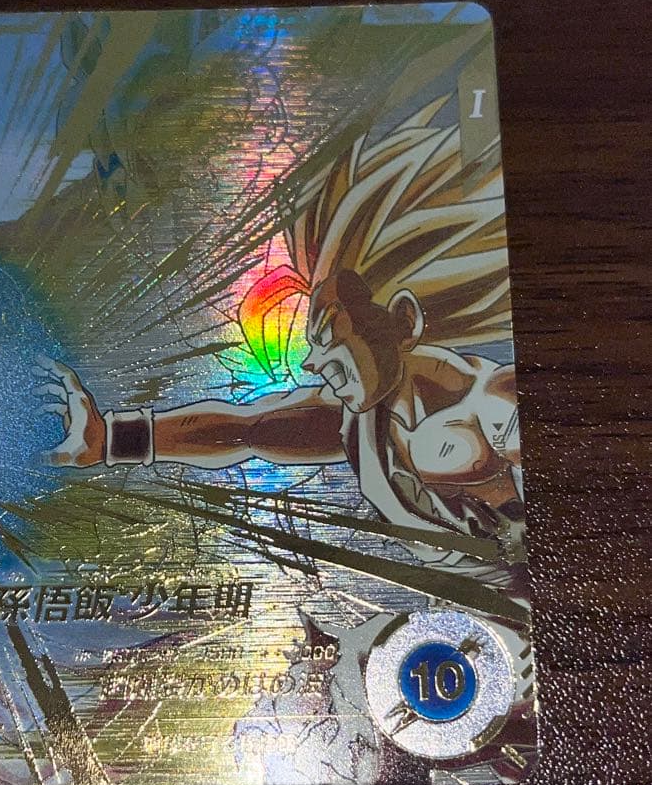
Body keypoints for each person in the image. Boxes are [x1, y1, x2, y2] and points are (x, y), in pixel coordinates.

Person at [36, 98, 524, 544]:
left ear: (402, 321)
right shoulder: (362, 424)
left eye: (329, 335)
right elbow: (247, 430)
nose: (311, 363)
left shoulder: (499, 403)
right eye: (314, 341)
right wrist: (109, 439)